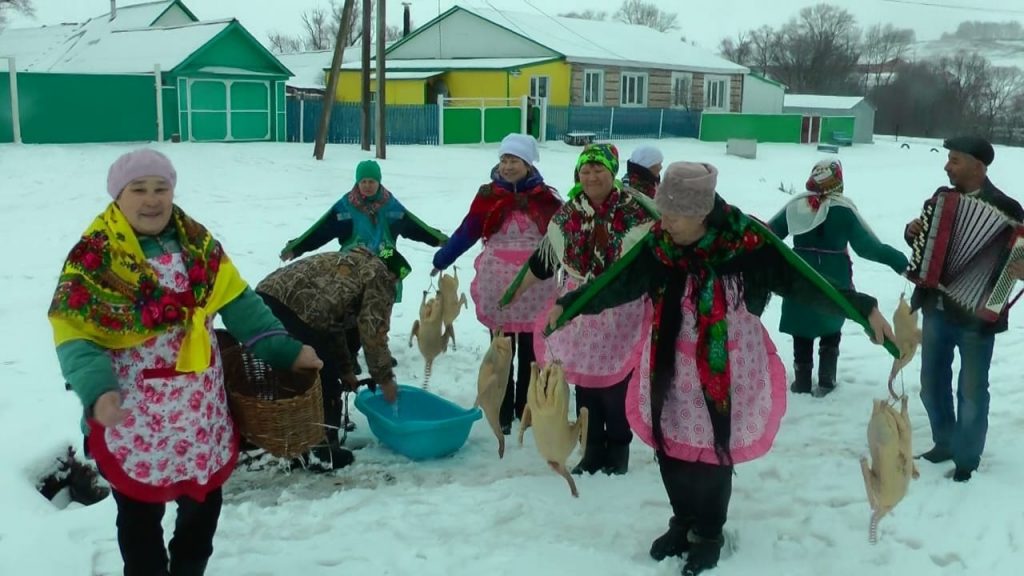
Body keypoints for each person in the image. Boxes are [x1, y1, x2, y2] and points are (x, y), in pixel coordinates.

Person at [547, 161, 894, 576]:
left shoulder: (746, 245)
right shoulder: (660, 245)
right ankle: (682, 521)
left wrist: (862, 309)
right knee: (670, 446)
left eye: (673, 215)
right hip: (669, 363)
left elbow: (804, 281)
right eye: (663, 212)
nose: (664, 222)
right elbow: (618, 282)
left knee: (712, 454)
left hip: (725, 368)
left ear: (700, 213)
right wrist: (570, 305)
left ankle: (709, 533)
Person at [49, 149, 322, 576]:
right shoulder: (95, 258)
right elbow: (75, 334)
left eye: (161, 188)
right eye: (138, 189)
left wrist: (287, 351)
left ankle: (189, 568)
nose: (151, 199)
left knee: (204, 508)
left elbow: (240, 304)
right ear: (118, 196)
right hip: (132, 416)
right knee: (139, 518)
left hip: (198, 416)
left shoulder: (199, 245)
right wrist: (98, 390)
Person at [504, 143, 656, 475]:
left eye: (598, 169)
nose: (591, 176)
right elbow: (545, 260)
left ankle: (618, 450)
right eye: (585, 171)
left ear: (612, 172)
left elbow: (655, 262)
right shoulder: (570, 214)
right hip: (580, 309)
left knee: (614, 385)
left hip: (621, 308)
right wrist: (514, 292)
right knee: (586, 383)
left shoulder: (636, 212)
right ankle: (592, 449)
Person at [903, 136, 1024, 482]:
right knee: (930, 384)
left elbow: (1021, 254)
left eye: (955, 160)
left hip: (978, 316)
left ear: (978, 166)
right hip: (937, 308)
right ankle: (944, 442)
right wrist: (913, 232)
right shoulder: (942, 199)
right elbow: (923, 246)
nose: (947, 166)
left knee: (971, 391)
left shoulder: (1009, 208)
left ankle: (967, 458)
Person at [432, 133, 562, 434]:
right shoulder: (488, 196)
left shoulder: (546, 199)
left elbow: (565, 236)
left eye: (514, 160)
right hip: (498, 286)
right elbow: (468, 230)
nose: (507, 166)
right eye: (504, 160)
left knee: (532, 351)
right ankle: (501, 409)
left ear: (528, 164)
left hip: (535, 286)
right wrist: (443, 258)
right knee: (501, 351)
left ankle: (527, 409)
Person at [281, 159, 446, 371]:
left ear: (379, 182)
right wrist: (296, 248)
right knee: (351, 312)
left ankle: (379, 352)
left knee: (380, 311)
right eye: (363, 181)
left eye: (372, 181)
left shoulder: (390, 205)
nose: (367, 185)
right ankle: (350, 355)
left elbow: (415, 225)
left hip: (385, 258)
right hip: (352, 263)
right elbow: (320, 230)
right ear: (357, 182)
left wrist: (438, 240)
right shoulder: (345, 207)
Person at [769, 159, 908, 396]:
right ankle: (827, 379)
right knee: (831, 326)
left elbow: (769, 234)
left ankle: (802, 382)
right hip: (834, 278)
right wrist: (901, 263)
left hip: (799, 276)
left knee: (801, 329)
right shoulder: (844, 211)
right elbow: (868, 247)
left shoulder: (796, 206)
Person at [255, 249, 401, 471]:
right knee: (324, 378)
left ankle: (292, 443)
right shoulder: (380, 276)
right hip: (297, 310)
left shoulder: (353, 263)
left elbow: (332, 325)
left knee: (295, 375)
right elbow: (373, 332)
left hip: (263, 299)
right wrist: (385, 379)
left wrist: (346, 370)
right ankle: (321, 452)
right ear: (394, 275)